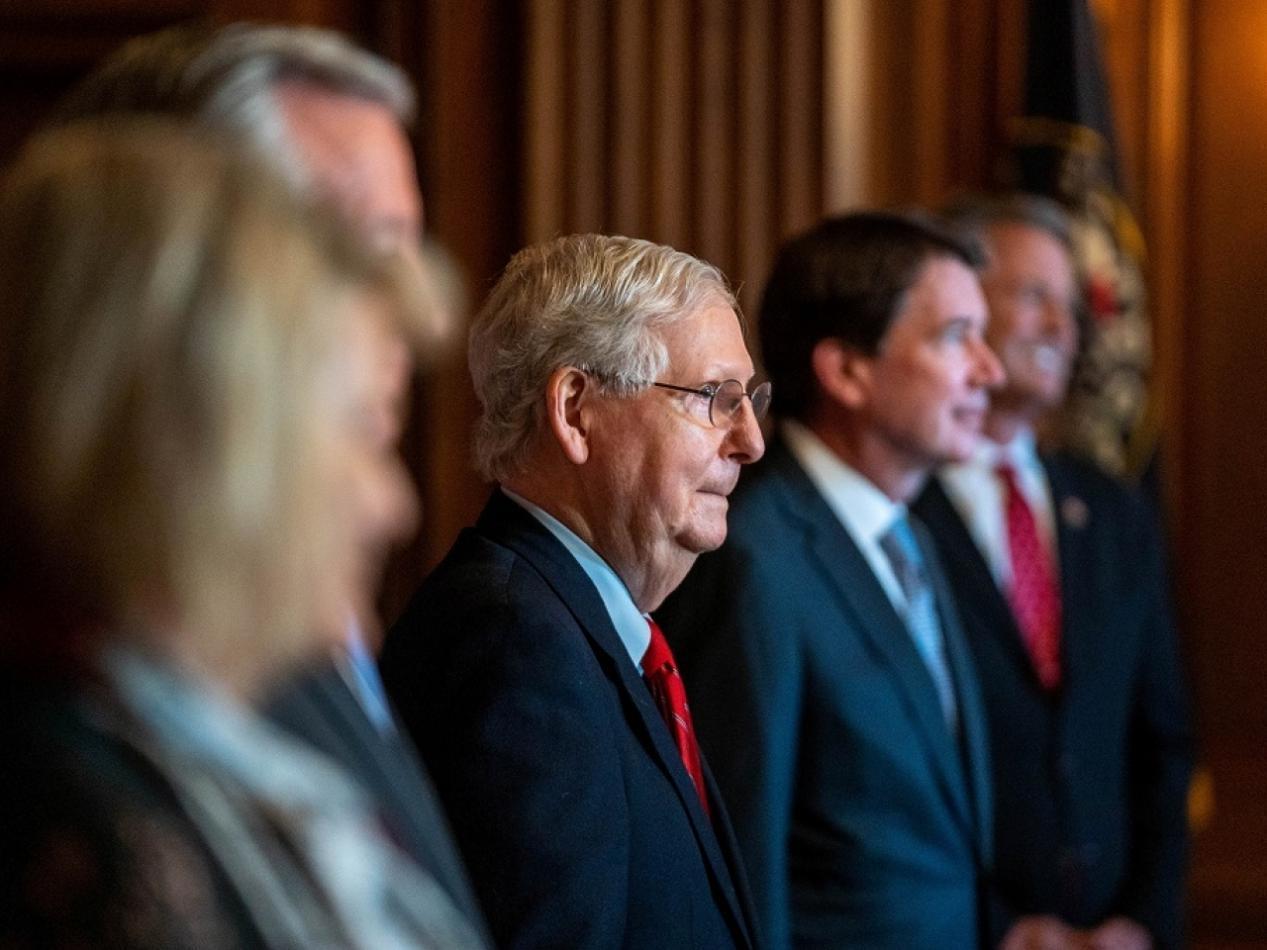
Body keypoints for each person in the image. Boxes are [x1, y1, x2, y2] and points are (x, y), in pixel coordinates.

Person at [0, 121, 480, 948]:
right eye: (362, 431)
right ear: (194, 446)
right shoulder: (67, 831)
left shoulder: (187, 747)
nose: (394, 506)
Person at [381, 234, 768, 949]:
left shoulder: (573, 626)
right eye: (716, 398)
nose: (751, 441)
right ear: (575, 410)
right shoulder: (516, 646)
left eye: (750, 401)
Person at [657, 211, 1004, 948]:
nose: (989, 370)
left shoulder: (913, 535)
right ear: (846, 370)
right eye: (956, 337)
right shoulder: (755, 558)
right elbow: (744, 864)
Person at [911, 194, 1193, 950]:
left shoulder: (1115, 511)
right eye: (1033, 295)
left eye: (1068, 306)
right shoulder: (899, 511)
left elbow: (1162, 743)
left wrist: (1143, 923)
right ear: (963, 308)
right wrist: (999, 928)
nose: (1061, 328)